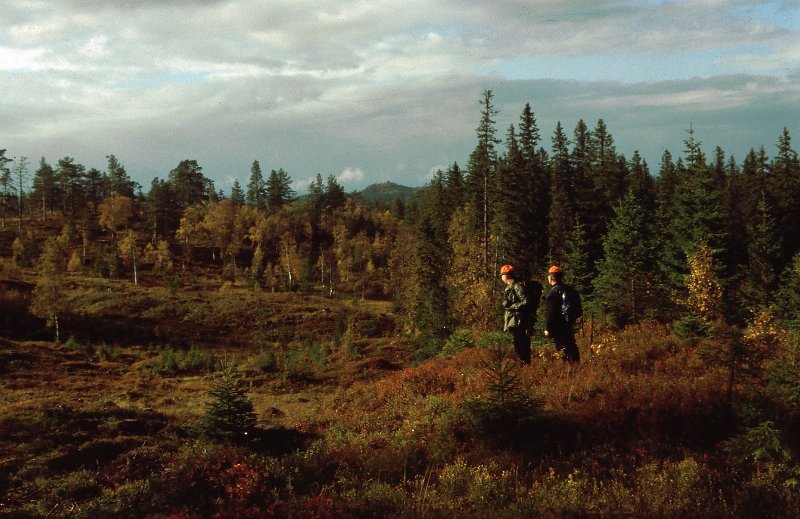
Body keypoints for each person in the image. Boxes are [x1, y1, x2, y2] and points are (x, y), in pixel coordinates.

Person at [544, 265, 581, 363]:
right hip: (568, 322)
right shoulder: (569, 290)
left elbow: (550, 312)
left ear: (551, 277)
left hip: (558, 325)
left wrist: (548, 328)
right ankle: (577, 365)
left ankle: (568, 369)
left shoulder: (552, 293)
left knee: (561, 347)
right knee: (571, 344)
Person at [500, 264, 532, 364]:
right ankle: (525, 367)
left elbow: (526, 301)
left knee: (521, 346)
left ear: (506, 276)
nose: (501, 277)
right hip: (516, 321)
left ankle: (526, 367)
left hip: (520, 321)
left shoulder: (517, 286)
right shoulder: (510, 287)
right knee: (519, 346)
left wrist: (510, 306)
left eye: (502, 275)